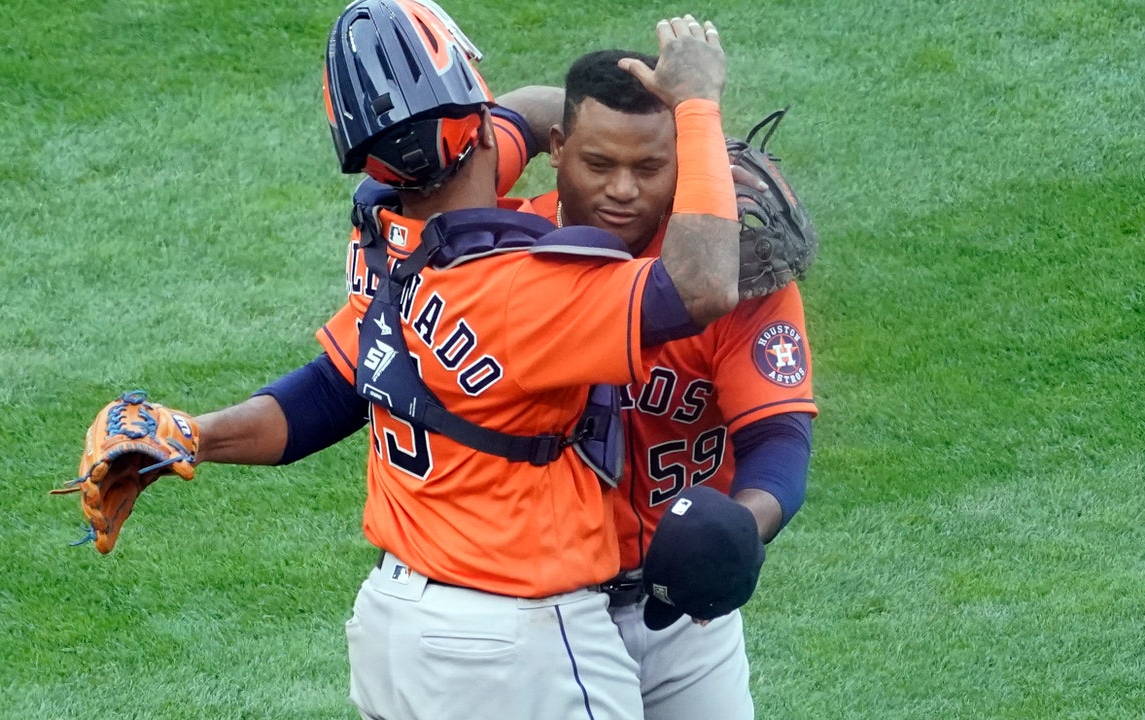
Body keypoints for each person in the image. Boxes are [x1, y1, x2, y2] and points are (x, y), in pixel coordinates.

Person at [105, 3, 744, 720]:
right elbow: (703, 284)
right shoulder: (529, 289)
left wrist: (195, 434)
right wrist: (695, 109)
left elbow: (332, 390)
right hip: (515, 649)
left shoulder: (385, 240)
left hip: (395, 631)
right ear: (479, 123)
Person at [490, 49, 819, 720]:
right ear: (558, 150)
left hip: (684, 618)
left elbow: (779, 439)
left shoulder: (736, 268)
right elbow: (453, 164)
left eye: (648, 168)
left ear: (684, 162)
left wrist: (738, 529)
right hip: (540, 610)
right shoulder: (507, 257)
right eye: (599, 164)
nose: (623, 190)